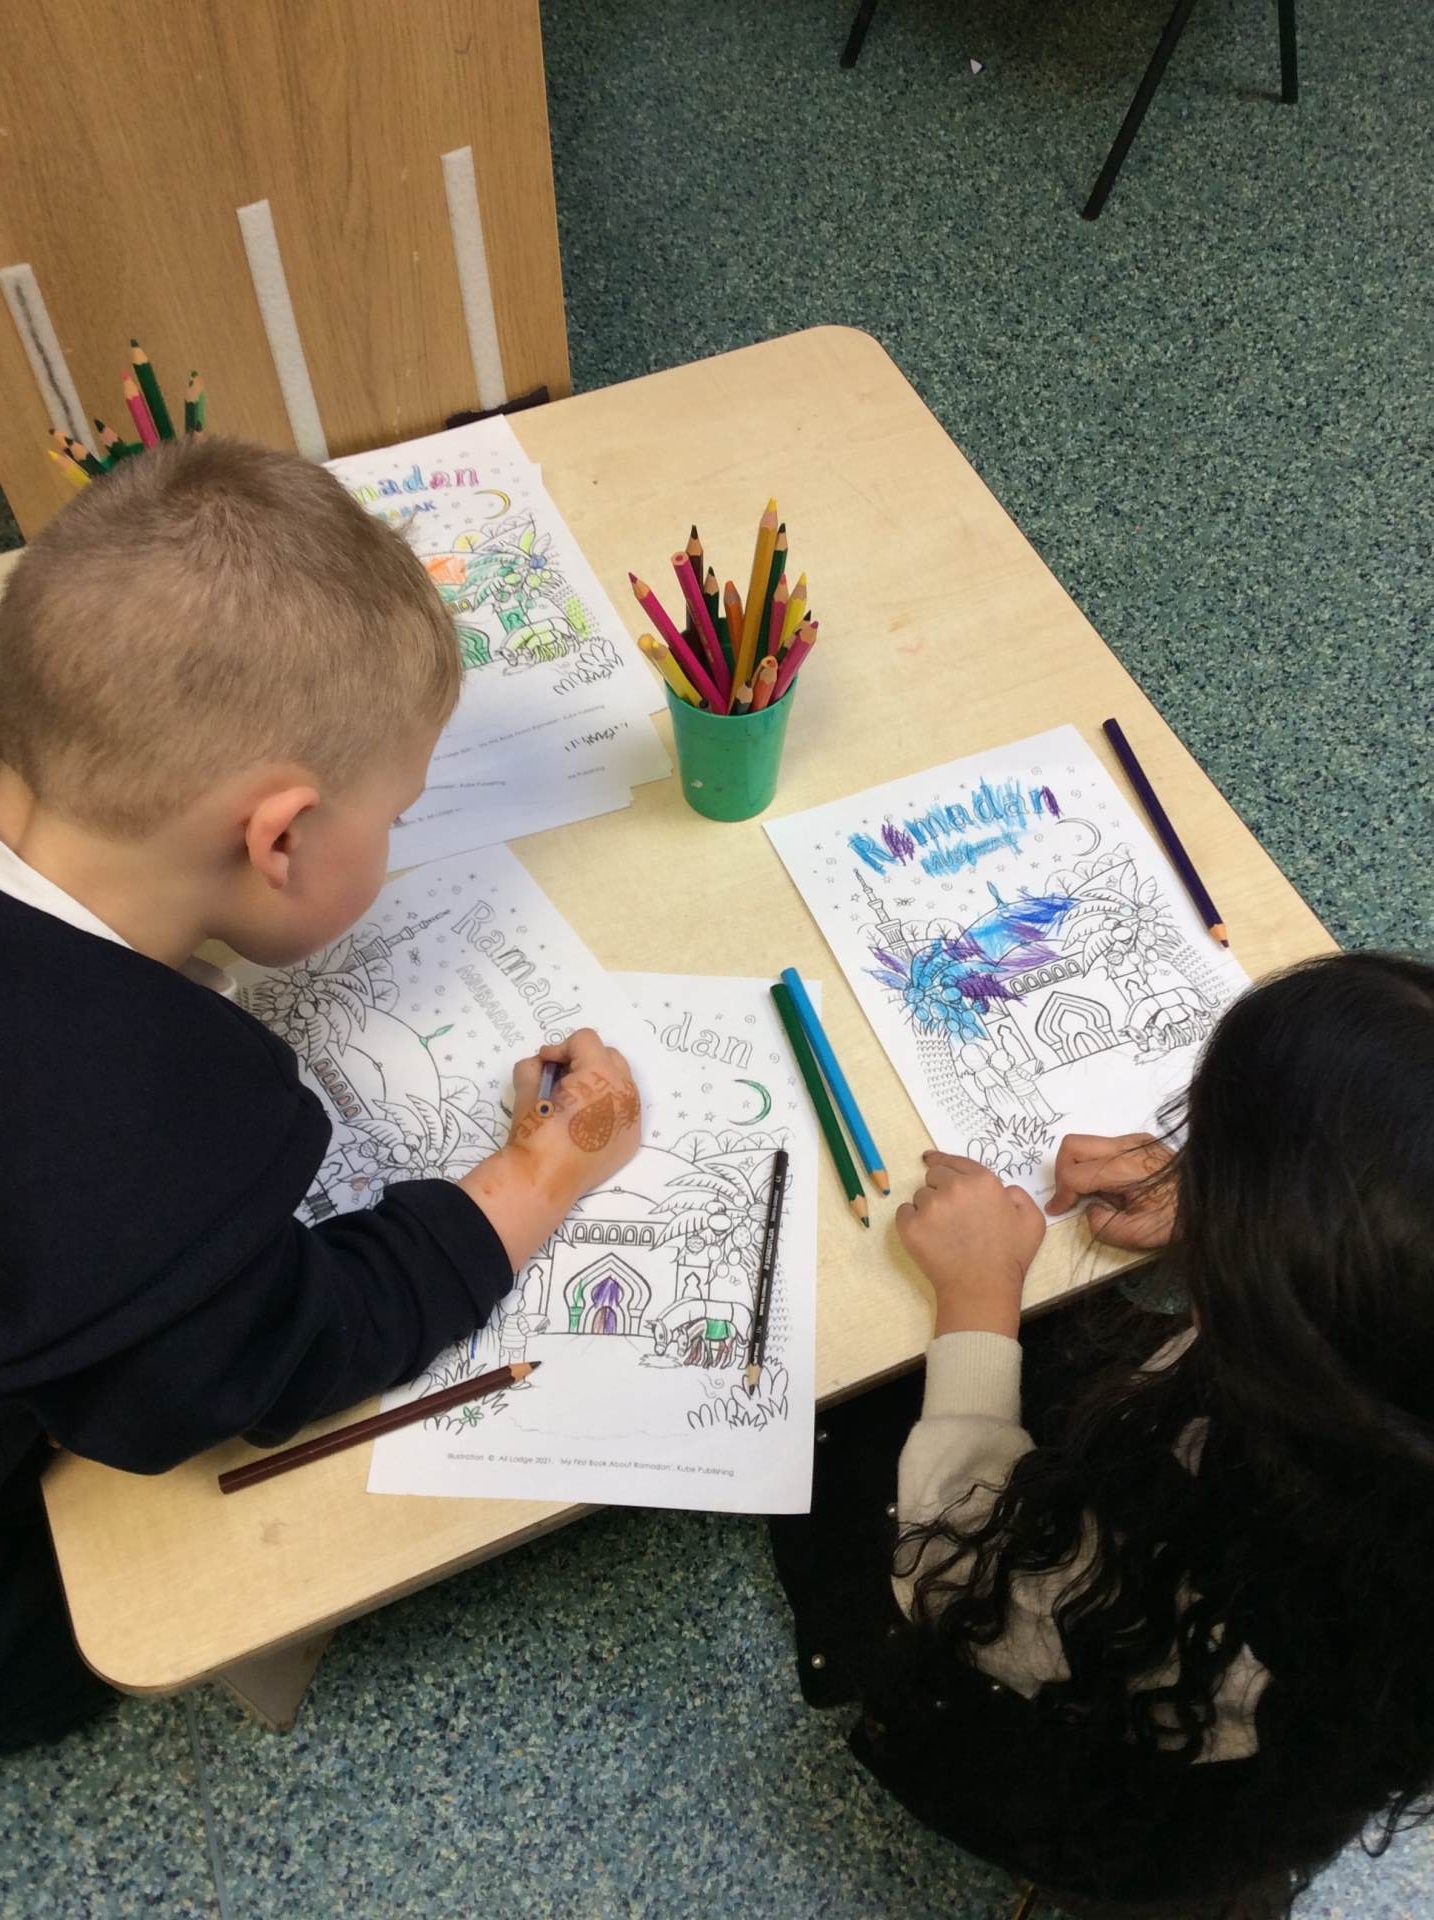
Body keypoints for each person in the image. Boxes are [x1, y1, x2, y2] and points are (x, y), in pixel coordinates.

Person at [0, 439, 641, 1750]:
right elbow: (276, 1354)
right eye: (396, 816)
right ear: (281, 837)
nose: (398, 841)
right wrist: (537, 1173)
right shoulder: (140, 1146)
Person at [771, 954, 1434, 1917]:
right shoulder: (1386, 1388)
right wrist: (1215, 1209)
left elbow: (957, 1574)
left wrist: (978, 1293)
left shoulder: (1248, 1581)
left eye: (1212, 1158)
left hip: (1109, 1754)